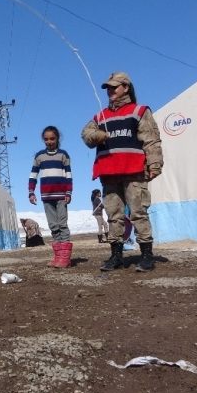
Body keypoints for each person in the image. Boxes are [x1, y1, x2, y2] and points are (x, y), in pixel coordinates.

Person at [81, 71, 163, 272]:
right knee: (113, 214)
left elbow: (151, 139)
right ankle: (116, 255)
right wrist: (98, 135)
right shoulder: (100, 116)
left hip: (133, 170)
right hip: (109, 172)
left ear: (126, 87)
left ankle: (146, 255)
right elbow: (86, 134)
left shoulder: (139, 111)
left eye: (114, 87)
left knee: (138, 212)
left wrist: (155, 163)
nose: (110, 91)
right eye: (108, 88)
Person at [28, 126, 73, 268]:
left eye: (52, 138)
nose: (49, 141)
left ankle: (65, 258)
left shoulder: (63, 155)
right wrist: (31, 192)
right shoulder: (39, 156)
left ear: (57, 138)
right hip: (46, 196)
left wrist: (69, 192)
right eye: (46, 139)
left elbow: (68, 175)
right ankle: (58, 256)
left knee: (62, 224)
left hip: (61, 195)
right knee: (53, 225)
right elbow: (33, 175)